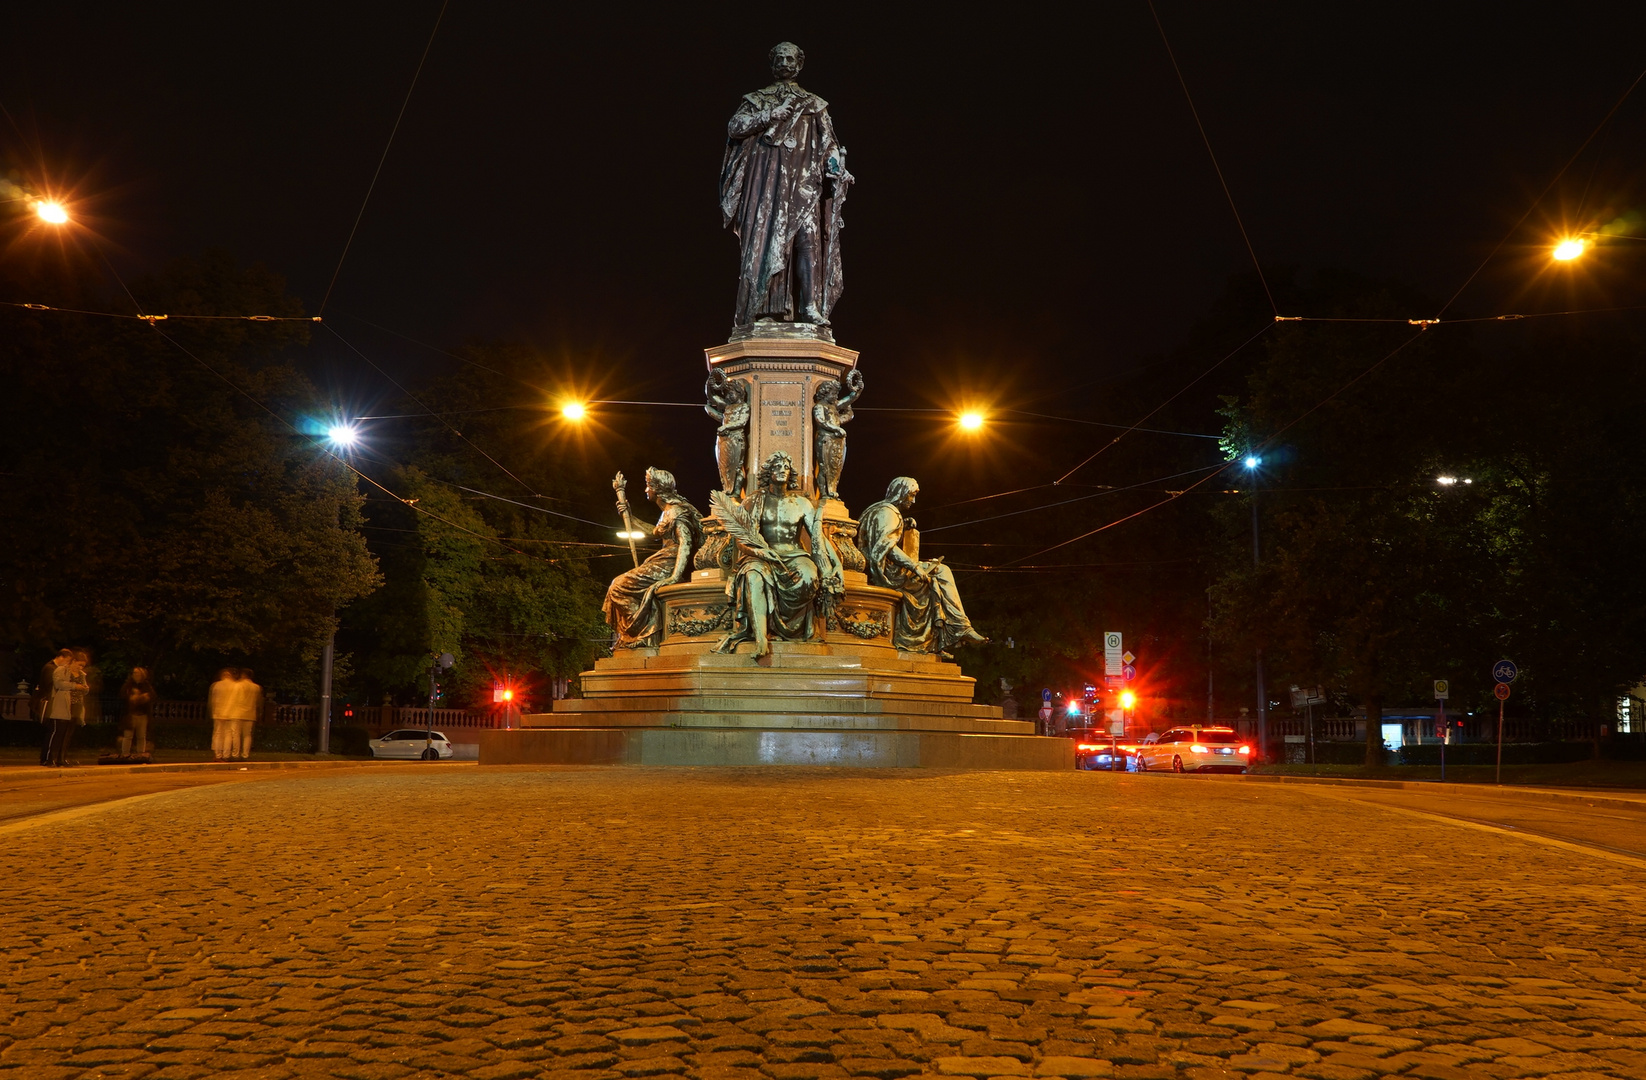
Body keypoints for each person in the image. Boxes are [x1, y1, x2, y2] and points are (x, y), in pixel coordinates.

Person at [720, 42, 853, 330]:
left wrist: (834, 166)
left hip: (804, 183)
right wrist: (769, 115)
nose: (783, 62)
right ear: (772, 63)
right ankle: (762, 308)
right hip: (766, 184)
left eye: (789, 58)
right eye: (778, 58)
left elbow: (829, 143)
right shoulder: (757, 99)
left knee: (807, 240)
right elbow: (735, 127)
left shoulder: (813, 104)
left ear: (799, 64)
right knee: (768, 242)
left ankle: (809, 307)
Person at [715, 451, 844, 659]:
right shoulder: (754, 501)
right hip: (760, 555)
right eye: (776, 467)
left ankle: (792, 628)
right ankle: (761, 638)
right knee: (753, 576)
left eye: (785, 467)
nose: (782, 471)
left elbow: (819, 538)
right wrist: (760, 552)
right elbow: (741, 539)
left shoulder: (802, 503)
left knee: (809, 576)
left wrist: (836, 563)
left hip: (794, 554)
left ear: (791, 473)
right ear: (768, 472)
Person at [857, 477, 988, 656]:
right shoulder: (888, 513)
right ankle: (958, 628)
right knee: (941, 572)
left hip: (886, 570)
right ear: (901, 494)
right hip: (889, 574)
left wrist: (903, 524)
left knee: (937, 572)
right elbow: (887, 548)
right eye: (911, 495)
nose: (914, 500)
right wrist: (915, 567)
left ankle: (939, 640)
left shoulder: (882, 510)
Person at [603, 469, 704, 648]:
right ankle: (638, 632)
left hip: (669, 563)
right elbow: (654, 533)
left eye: (648, 486)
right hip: (663, 560)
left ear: (657, 489)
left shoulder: (676, 512)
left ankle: (643, 632)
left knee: (618, 586)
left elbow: (685, 544)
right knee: (617, 586)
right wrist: (630, 516)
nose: (646, 490)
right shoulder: (667, 512)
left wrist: (674, 576)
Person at [45, 652, 89, 766]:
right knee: (58, 731)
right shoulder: (62, 670)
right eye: (79, 664)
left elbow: (85, 688)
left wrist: (84, 688)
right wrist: (75, 686)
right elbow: (59, 684)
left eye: (82, 666)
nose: (80, 668)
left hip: (76, 705)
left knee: (68, 733)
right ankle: (50, 758)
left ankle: (62, 758)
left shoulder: (82, 674)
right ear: (73, 661)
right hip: (63, 704)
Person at [34, 649, 71, 766]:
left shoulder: (54, 669)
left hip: (54, 703)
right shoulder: (50, 668)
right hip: (51, 704)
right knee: (53, 731)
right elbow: (52, 685)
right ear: (61, 657)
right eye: (67, 661)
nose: (67, 664)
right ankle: (46, 758)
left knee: (54, 732)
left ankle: (49, 757)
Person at [119, 667, 156, 759]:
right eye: (134, 673)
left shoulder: (146, 685)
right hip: (130, 715)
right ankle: (125, 754)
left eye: (138, 673)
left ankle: (141, 755)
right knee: (128, 735)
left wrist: (143, 697)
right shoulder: (128, 685)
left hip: (142, 714)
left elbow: (152, 696)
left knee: (141, 736)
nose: (136, 675)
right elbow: (122, 696)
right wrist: (131, 697)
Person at [227, 669, 261, 761]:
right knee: (247, 735)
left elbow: (233, 699)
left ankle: (235, 754)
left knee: (236, 735)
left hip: (237, 713)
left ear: (244, 675)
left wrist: (228, 711)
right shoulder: (256, 687)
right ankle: (245, 755)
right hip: (250, 713)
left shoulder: (238, 685)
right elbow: (257, 702)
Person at [208, 668, 237, 762]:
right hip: (230, 713)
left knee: (217, 734)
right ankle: (226, 754)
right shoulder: (234, 685)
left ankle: (217, 754)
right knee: (228, 734)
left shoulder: (216, 685)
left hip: (218, 712)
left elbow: (213, 700)